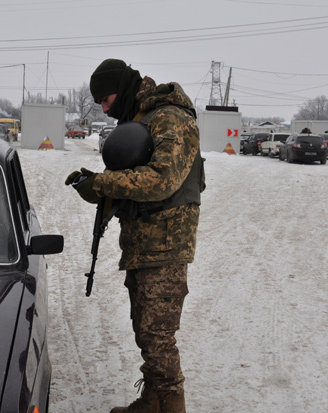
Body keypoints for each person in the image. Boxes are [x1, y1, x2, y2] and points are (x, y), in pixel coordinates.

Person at [65, 58, 204, 413]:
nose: (105, 108)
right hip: (144, 243)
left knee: (158, 338)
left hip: (167, 244)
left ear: (123, 87)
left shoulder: (170, 117)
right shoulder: (141, 117)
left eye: (106, 99)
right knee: (146, 331)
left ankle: (172, 406)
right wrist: (96, 186)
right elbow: (134, 177)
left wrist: (104, 183)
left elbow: (161, 180)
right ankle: (153, 403)